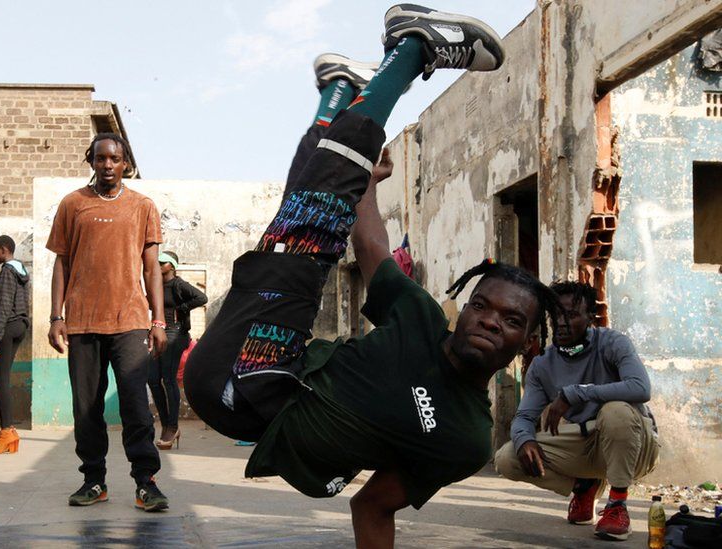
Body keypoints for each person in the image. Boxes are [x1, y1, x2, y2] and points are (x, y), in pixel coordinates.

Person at [181, 6, 551, 548]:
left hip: (248, 390)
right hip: (261, 369)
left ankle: (409, 53)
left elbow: (373, 506)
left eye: (511, 320)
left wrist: (350, 184)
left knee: (307, 228)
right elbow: (373, 245)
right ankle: (339, 92)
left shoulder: (467, 439)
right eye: (483, 305)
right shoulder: (421, 318)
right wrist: (367, 186)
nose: (491, 321)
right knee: (307, 218)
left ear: (529, 344)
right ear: (466, 307)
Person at [46, 132, 170, 511]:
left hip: (130, 320)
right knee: (87, 409)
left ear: (125, 163)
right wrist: (56, 316)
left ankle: (146, 483)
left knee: (135, 405)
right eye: (100, 159)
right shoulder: (72, 204)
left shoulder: (142, 206)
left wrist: (158, 319)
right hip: (82, 322)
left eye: (114, 159)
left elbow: (151, 268)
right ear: (92, 161)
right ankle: (93, 481)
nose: (107, 165)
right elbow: (61, 263)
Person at [493, 282, 659, 542]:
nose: (561, 322)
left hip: (635, 445)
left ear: (590, 318)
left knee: (615, 411)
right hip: (584, 445)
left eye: (571, 315)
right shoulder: (542, 365)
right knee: (508, 457)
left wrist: (576, 393)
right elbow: (524, 418)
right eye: (556, 314)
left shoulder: (613, 343)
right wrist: (525, 440)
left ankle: (617, 505)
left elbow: (640, 388)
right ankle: (584, 487)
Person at [147, 250, 207, 450]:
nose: (159, 264)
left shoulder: (179, 284)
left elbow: (201, 297)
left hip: (176, 334)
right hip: (159, 332)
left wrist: (182, 309)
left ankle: (172, 427)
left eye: (163, 262)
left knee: (168, 378)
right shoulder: (156, 284)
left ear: (171, 266)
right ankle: (166, 425)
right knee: (153, 379)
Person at [0, 234, 30, 454]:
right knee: (3, 377)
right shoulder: (21, 270)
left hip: (8, 327)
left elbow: (3, 305)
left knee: (0, 379)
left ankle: (6, 432)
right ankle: (11, 435)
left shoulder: (6, 271)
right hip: (20, 325)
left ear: (3, 249)